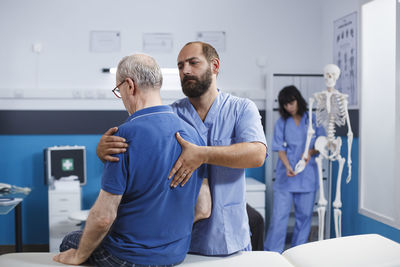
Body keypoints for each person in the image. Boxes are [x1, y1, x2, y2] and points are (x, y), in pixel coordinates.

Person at [97, 41, 267, 255]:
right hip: (178, 241)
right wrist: (103, 152)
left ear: (215, 66)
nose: (185, 70)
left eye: (193, 63)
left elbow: (257, 155)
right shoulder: (170, 114)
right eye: (180, 66)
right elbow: (134, 153)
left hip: (228, 237)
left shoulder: (241, 109)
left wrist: (202, 154)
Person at [53, 54, 211, 266]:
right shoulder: (194, 136)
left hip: (128, 257)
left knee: (71, 241)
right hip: (175, 255)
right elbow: (203, 209)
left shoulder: (123, 137)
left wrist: (78, 256)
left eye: (119, 90)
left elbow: (103, 218)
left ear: (129, 85)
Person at [264, 85, 325, 253]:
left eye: (291, 103)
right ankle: (271, 255)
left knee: (304, 218)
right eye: (285, 104)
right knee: (278, 218)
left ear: (298, 100)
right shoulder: (282, 123)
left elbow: (322, 143)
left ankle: (297, 254)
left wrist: (309, 153)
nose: (288, 107)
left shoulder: (311, 119)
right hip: (286, 176)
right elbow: (279, 147)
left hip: (307, 175)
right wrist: (288, 166)